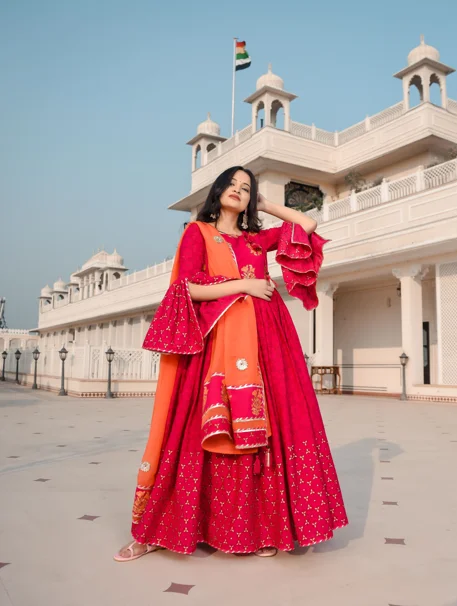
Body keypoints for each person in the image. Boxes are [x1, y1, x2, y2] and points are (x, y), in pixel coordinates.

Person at [114, 166, 348, 561]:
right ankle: (159, 529)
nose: (238, 191)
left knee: (268, 428)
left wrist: (265, 203)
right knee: (191, 428)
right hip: (217, 341)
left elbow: (307, 224)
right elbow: (186, 286)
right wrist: (245, 285)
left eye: (246, 188)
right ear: (218, 189)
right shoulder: (198, 233)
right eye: (233, 185)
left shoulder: (257, 239)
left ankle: (262, 529)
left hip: (266, 340)